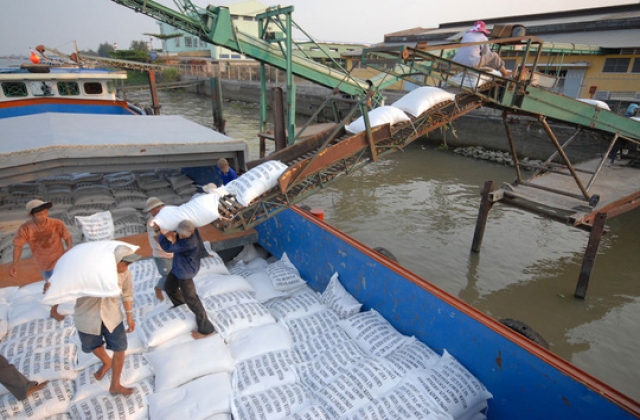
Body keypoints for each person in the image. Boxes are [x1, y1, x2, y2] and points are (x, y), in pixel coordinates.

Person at [74, 245, 140, 395]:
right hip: (87, 317)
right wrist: (52, 287)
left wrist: (130, 317)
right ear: (115, 261)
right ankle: (106, 361)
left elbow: (127, 295)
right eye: (125, 263)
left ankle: (115, 384)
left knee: (120, 348)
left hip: (112, 316)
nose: (127, 267)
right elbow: (67, 284)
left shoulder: (125, 274)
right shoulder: (91, 273)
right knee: (92, 345)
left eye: (129, 264)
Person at [11, 199, 72, 321]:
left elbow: (67, 237)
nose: (43, 216)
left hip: (59, 261)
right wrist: (14, 264)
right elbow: (18, 246)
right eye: (39, 215)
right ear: (31, 215)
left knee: (55, 286)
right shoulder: (25, 229)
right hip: (43, 264)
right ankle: (50, 296)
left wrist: (69, 250)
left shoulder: (57, 223)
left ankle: (53, 310)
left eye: (45, 213)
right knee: (51, 286)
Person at [156, 220, 215, 340]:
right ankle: (180, 305)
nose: (181, 236)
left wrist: (160, 235)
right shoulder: (189, 234)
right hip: (178, 266)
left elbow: (168, 247)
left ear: (192, 232)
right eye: (180, 233)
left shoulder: (189, 243)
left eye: (184, 234)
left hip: (185, 272)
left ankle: (206, 329)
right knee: (169, 287)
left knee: (192, 299)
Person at [143, 197, 173, 301]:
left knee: (176, 275)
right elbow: (158, 238)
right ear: (151, 211)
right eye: (157, 207)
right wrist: (172, 235)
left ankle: (173, 292)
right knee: (167, 276)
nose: (160, 208)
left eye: (161, 206)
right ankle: (159, 288)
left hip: (173, 251)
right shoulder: (152, 223)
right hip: (162, 254)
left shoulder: (167, 218)